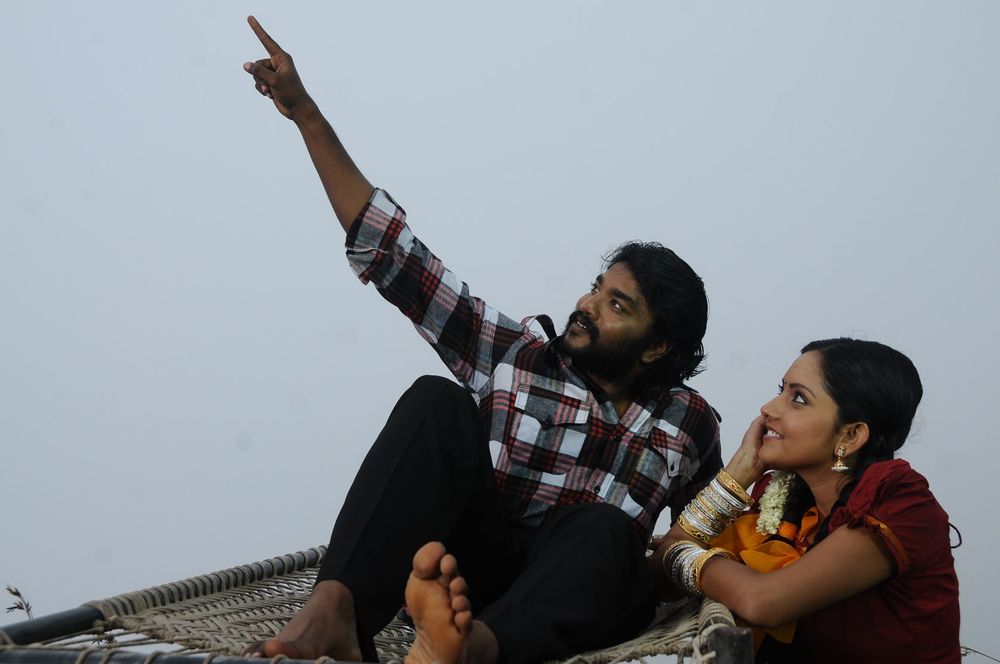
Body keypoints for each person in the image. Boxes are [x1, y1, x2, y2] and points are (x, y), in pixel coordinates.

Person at [241, 16, 722, 664]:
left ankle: (469, 651)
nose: (586, 305)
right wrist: (306, 115)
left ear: (657, 347)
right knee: (436, 400)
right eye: (595, 288)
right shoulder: (518, 353)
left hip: (574, 599)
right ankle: (336, 612)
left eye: (616, 305)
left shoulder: (689, 423)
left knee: (607, 530)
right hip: (470, 576)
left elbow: (707, 536)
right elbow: (398, 257)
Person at [648, 338, 961, 663]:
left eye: (798, 398)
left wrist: (682, 555)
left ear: (851, 435)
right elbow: (658, 576)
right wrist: (738, 473)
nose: (768, 408)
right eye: (781, 389)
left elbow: (761, 601)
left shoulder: (899, 502)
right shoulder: (784, 499)